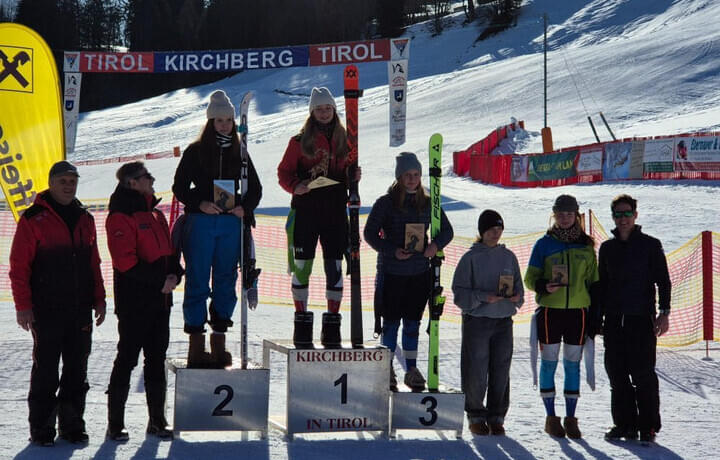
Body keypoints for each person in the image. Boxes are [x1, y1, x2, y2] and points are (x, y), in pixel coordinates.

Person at [10, 160, 106, 446]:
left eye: (72, 181)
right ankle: (41, 429)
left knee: (78, 370)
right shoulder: (33, 218)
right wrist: (23, 305)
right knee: (46, 371)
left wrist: (99, 299)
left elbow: (94, 263)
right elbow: (18, 267)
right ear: (51, 183)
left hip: (80, 310)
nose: (68, 186)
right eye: (63, 181)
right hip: (46, 309)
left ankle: (72, 425)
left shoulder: (85, 218)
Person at [172, 89, 262, 367]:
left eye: (228, 120)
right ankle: (196, 346)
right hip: (200, 223)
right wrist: (199, 203)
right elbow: (179, 187)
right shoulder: (195, 151)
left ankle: (219, 340)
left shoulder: (241, 151)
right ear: (210, 122)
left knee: (225, 279)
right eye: (219, 120)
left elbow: (255, 189)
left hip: (229, 224)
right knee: (198, 278)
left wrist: (243, 209)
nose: (224, 125)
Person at [105, 162, 184, 441]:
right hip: (135, 303)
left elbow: (169, 253)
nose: (152, 180)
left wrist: (175, 273)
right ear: (132, 183)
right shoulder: (120, 215)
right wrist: (159, 281)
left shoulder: (155, 214)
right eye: (146, 177)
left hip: (161, 302)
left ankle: (157, 420)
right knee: (126, 360)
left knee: (156, 360)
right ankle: (115, 424)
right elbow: (125, 262)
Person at [364, 152, 453, 392]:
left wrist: (434, 246)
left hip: (419, 273)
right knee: (390, 323)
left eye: (416, 175)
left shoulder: (428, 202)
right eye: (407, 175)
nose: (412, 179)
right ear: (399, 176)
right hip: (392, 272)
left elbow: (446, 230)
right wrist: (392, 251)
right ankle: (388, 368)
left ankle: (411, 369)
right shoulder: (386, 202)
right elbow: (369, 234)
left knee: (412, 324)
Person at [278, 86, 359, 348]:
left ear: (334, 110)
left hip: (335, 211)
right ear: (312, 112)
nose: (324, 113)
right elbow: (284, 172)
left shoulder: (346, 139)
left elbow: (349, 170)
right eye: (319, 109)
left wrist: (353, 177)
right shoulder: (299, 141)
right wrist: (295, 186)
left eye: (328, 108)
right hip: (306, 211)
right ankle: (301, 321)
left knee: (334, 266)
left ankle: (332, 325)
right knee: (303, 265)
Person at [596, 194, 671, 443]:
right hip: (615, 321)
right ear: (613, 217)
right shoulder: (607, 248)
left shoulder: (650, 245)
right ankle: (624, 424)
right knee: (617, 374)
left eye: (627, 213)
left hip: (641, 319)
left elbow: (664, 281)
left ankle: (648, 426)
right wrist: (598, 319)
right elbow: (602, 286)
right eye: (618, 214)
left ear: (635, 215)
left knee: (643, 374)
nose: (623, 219)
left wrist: (664, 312)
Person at [524, 194, 598, 439]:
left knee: (572, 364)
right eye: (560, 214)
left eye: (569, 214)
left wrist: (597, 315)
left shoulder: (587, 246)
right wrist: (544, 286)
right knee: (549, 362)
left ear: (576, 215)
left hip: (578, 313)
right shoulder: (543, 244)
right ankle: (551, 417)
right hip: (550, 313)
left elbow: (594, 282)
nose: (564, 218)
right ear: (554, 215)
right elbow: (530, 279)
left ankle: (571, 418)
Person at [452, 210, 523, 436]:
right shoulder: (470, 258)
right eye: (491, 230)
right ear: (482, 231)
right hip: (478, 321)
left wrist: (515, 298)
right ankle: (475, 415)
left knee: (501, 369)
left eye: (499, 230)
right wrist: (483, 297)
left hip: (503, 321)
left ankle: (497, 416)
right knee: (476, 369)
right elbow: (459, 293)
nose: (495, 234)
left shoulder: (509, 257)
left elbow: (519, 288)